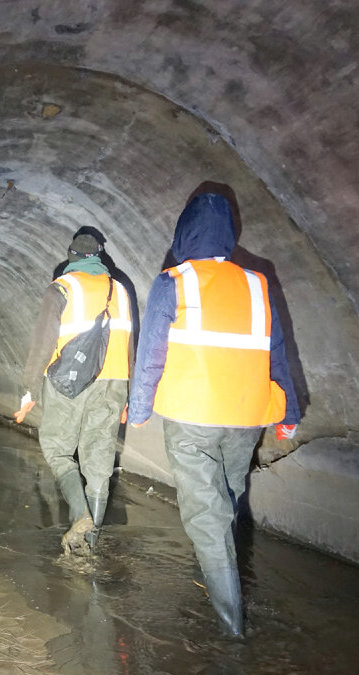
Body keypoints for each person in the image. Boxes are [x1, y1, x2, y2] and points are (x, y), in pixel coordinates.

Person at [128, 193, 300, 636]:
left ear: (184, 232)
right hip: (246, 417)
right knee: (227, 496)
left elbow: (151, 353)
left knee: (206, 514)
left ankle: (232, 628)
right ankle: (216, 570)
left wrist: (141, 407)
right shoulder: (257, 284)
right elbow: (277, 355)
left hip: (192, 414)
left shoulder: (174, 281)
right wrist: (290, 412)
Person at [15, 231, 133, 555]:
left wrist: (29, 392)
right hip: (114, 384)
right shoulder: (121, 291)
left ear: (71, 256)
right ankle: (89, 547)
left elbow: (42, 345)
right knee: (99, 461)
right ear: (99, 256)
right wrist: (128, 398)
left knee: (56, 448)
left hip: (69, 383)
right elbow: (130, 345)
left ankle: (80, 515)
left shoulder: (61, 288)